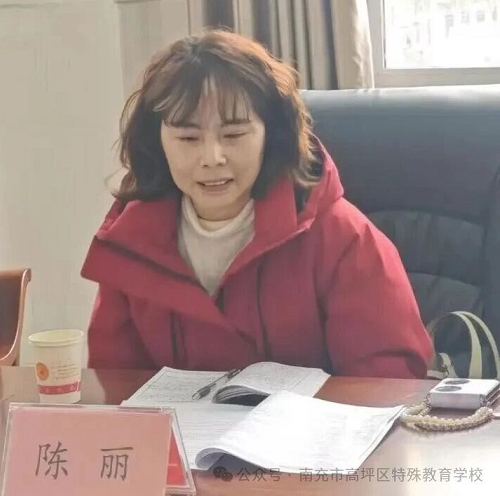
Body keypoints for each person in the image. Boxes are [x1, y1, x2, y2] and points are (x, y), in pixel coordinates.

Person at [81, 29, 433, 378]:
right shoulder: (130, 241)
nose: (212, 158)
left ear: (271, 134)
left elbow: (387, 381)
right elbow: (116, 383)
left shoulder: (343, 237)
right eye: (188, 138)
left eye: (234, 135)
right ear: (157, 141)